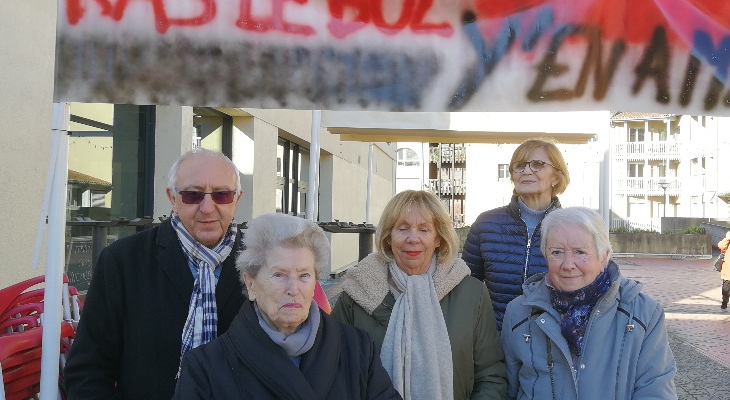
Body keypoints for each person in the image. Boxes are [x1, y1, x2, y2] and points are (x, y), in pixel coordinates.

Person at [64, 149, 248, 399]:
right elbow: (88, 370)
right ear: (172, 198)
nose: (207, 208)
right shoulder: (123, 261)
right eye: (193, 195)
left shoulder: (264, 263)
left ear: (236, 198)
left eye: (221, 194)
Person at [173, 213, 401, 399]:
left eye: (304, 275)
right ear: (250, 283)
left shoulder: (358, 349)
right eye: (279, 275)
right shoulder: (206, 366)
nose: (293, 288)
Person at [332, 190, 507, 400]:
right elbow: (335, 371)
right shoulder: (356, 293)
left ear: (438, 239)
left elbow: (490, 375)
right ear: (388, 237)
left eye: (424, 230)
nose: (413, 239)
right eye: (402, 228)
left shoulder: (471, 293)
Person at [501, 207, 677, 399]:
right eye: (557, 252)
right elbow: (507, 390)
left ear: (603, 257)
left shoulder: (644, 314)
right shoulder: (519, 312)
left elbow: (656, 391)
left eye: (580, 252)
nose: (568, 264)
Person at [462, 138, 570, 330]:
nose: (526, 171)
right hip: (496, 340)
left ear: (556, 177)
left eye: (537, 164)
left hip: (552, 340)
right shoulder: (486, 224)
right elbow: (466, 289)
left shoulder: (573, 228)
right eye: (519, 165)